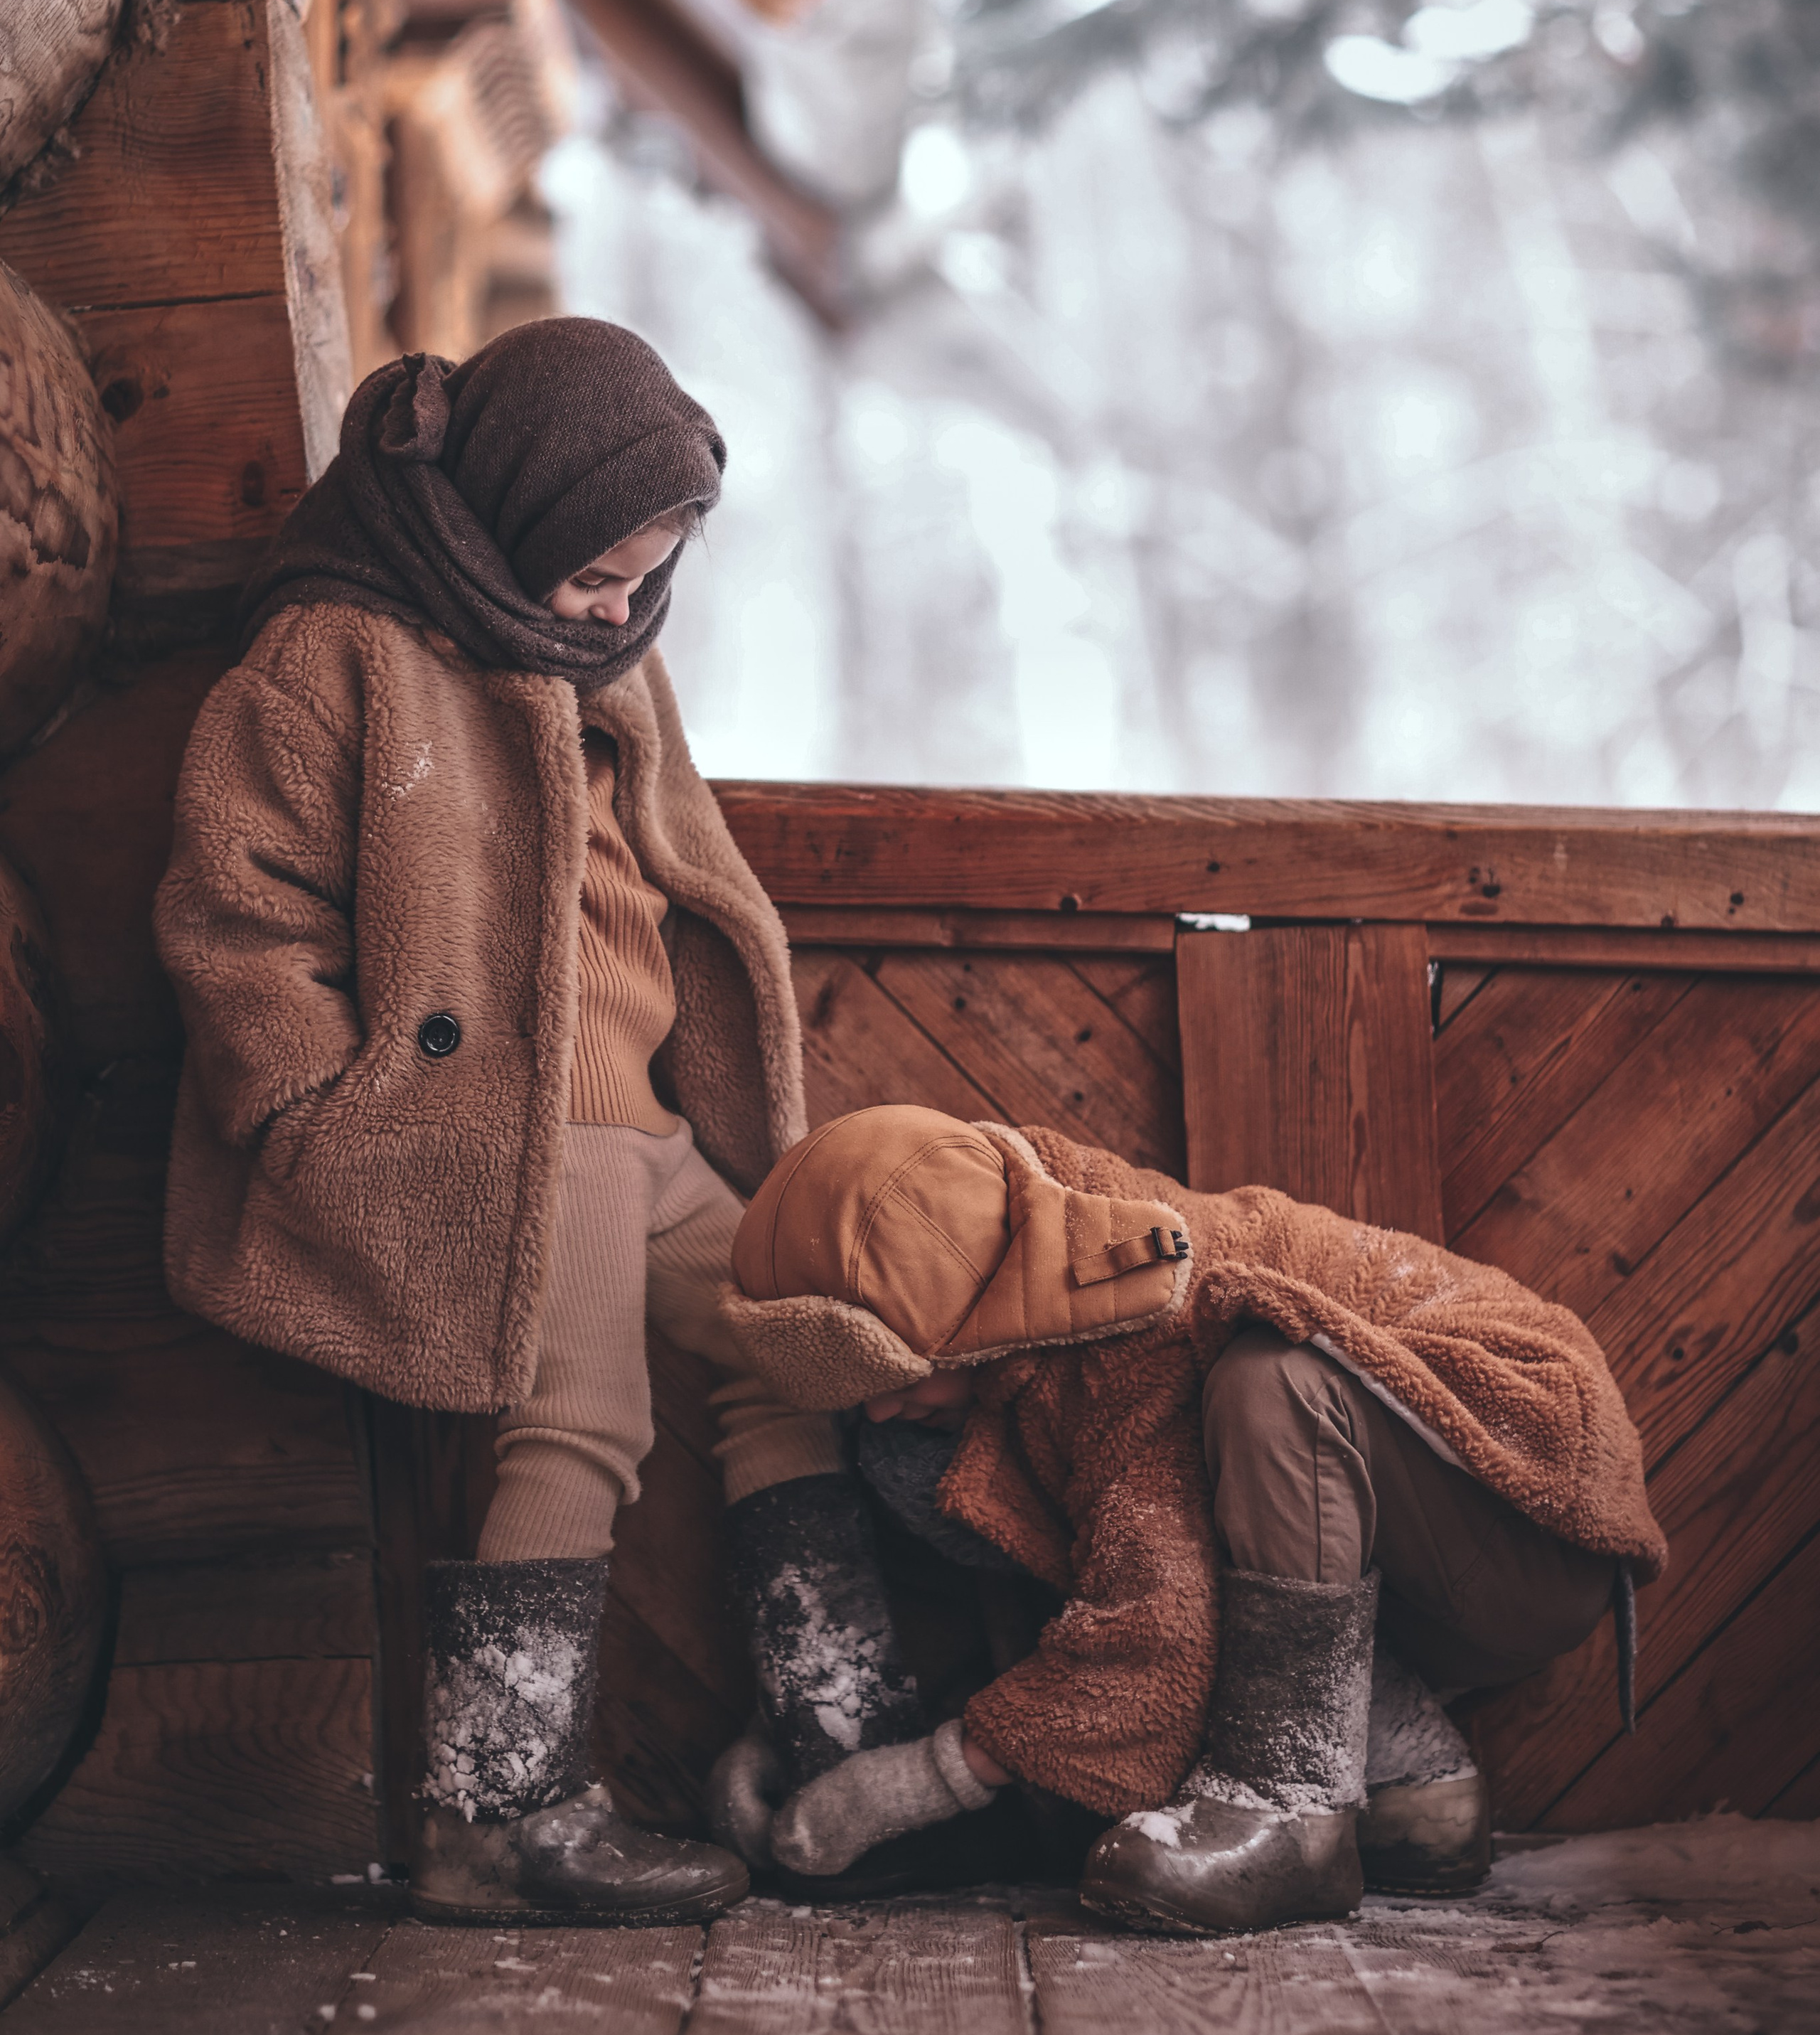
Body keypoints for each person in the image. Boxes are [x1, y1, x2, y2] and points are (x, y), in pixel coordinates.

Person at [152, 321, 923, 1925]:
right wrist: (316, 1102)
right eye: (592, 573)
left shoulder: (608, 655)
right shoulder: (339, 651)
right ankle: (498, 1811)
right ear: (511, 503)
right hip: (508, 1131)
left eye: (646, 578)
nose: (616, 608)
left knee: (792, 1348)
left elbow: (666, 871)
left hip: (647, 1122)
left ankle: (842, 1729)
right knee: (580, 1422)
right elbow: (235, 911)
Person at [711, 1104, 1668, 1935]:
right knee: (959, 1474)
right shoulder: (1021, 1337)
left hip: (1527, 1513)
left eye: (898, 1373)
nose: (880, 1407)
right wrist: (813, 1736)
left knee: (1270, 1378)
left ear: (971, 1311)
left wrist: (909, 1784)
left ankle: (1291, 1806)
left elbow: (1159, 1631)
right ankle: (1422, 1793)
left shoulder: (1136, 1330)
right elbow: (1088, 1583)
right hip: (1389, 1546)